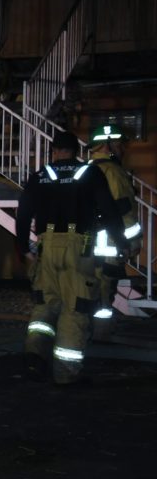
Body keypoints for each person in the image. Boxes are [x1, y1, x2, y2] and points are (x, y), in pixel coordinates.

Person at [16, 130, 129, 385]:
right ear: (76, 152)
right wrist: (121, 242)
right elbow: (109, 210)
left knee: (45, 303)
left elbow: (23, 214)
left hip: (45, 246)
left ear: (54, 151)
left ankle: (35, 356)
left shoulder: (40, 175)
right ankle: (66, 373)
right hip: (79, 248)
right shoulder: (90, 173)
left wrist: (23, 247)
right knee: (75, 308)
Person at [87, 124, 142, 335]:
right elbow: (124, 209)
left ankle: (89, 328)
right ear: (106, 146)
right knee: (106, 288)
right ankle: (101, 331)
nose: (122, 149)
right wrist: (132, 241)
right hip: (111, 243)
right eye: (119, 145)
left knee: (91, 287)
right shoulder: (113, 171)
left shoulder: (87, 169)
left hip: (90, 244)